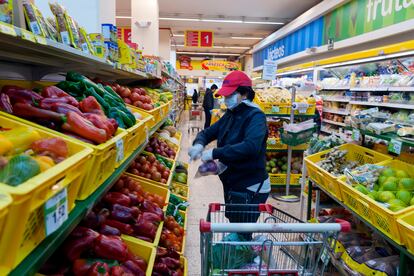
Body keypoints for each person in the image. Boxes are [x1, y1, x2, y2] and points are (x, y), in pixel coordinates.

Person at [188, 71, 270, 226]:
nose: (226, 99)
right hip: (234, 181)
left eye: (230, 95)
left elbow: (250, 147)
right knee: (235, 224)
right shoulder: (231, 113)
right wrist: (199, 143)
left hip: (251, 185)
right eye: (225, 96)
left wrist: (215, 152)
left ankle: (245, 248)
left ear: (244, 93)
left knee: (242, 231)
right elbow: (209, 132)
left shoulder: (256, 116)